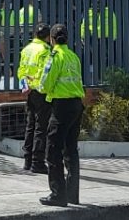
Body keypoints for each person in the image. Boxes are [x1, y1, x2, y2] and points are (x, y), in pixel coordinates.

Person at [39, 23, 84, 207]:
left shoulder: (54, 57)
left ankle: (58, 194)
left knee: (53, 150)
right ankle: (72, 194)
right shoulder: (73, 57)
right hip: (76, 105)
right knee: (71, 150)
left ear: (51, 39)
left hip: (62, 107)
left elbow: (45, 84)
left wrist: (40, 88)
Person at [17, 22, 52, 174]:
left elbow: (21, 71)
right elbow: (44, 72)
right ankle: (38, 162)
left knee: (30, 125)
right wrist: (38, 85)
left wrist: (26, 85)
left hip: (29, 91)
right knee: (41, 127)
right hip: (40, 91)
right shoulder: (45, 50)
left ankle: (27, 160)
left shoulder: (26, 49)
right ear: (48, 36)